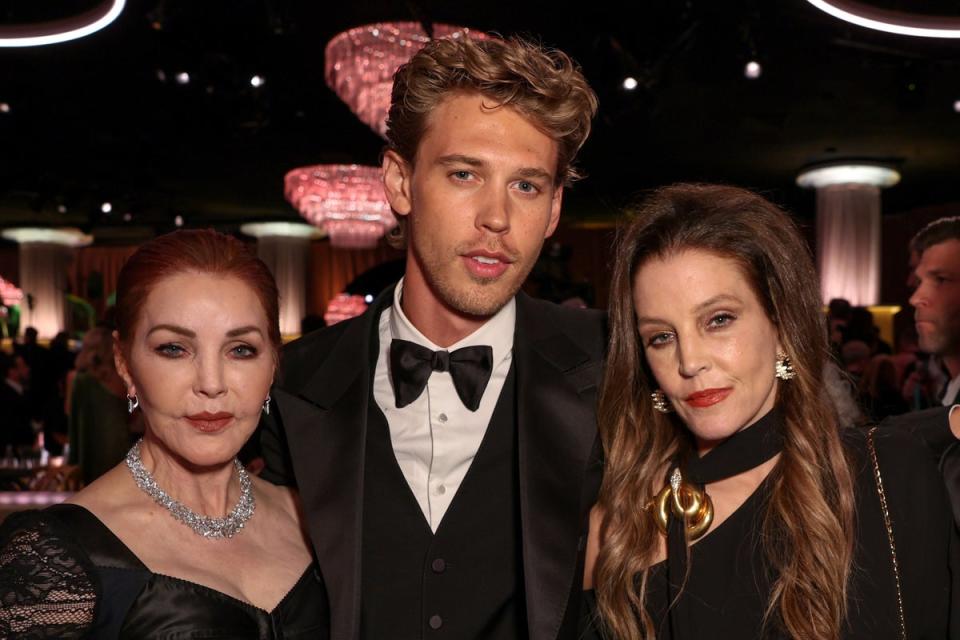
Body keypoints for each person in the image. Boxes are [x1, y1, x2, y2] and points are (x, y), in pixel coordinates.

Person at [261, 35, 602, 640]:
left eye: (526, 186)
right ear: (399, 182)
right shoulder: (293, 383)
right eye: (465, 173)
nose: (496, 217)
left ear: (553, 211)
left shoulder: (614, 362)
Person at [582, 184, 955, 639]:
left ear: (781, 326)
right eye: (661, 337)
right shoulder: (620, 523)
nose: (689, 361)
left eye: (718, 320)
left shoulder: (886, 477)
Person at [0, 229, 328, 639]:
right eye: (174, 348)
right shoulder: (53, 556)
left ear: (273, 364)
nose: (211, 384)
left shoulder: (318, 519)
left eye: (241, 349)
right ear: (124, 364)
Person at [65, 326, 131, 484]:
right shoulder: (126, 376)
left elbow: (72, 417)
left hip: (93, 450)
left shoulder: (80, 380)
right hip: (123, 447)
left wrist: (74, 462)